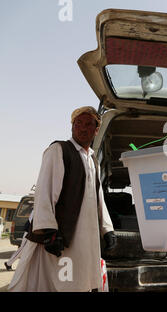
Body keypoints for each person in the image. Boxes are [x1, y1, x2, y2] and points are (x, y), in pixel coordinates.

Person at [8, 106, 116, 292]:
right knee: (54, 283)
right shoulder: (59, 150)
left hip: (86, 240)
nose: (82, 128)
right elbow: (44, 193)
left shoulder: (93, 161)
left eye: (88, 124)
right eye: (77, 124)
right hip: (60, 238)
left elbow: (98, 200)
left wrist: (107, 230)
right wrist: (49, 232)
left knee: (80, 283)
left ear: (96, 130)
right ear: (72, 127)